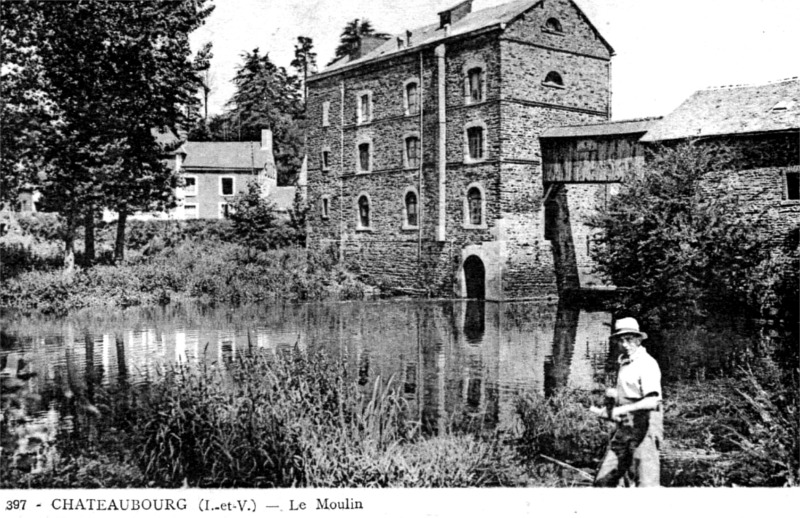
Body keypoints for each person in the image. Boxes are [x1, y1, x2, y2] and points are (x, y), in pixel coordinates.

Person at [589, 317, 663, 487]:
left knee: (646, 481)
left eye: (629, 339)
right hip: (626, 426)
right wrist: (613, 397)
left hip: (646, 426)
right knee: (604, 480)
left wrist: (619, 411)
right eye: (621, 340)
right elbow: (632, 391)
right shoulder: (624, 361)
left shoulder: (647, 364)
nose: (625, 344)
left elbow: (652, 400)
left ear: (638, 339)